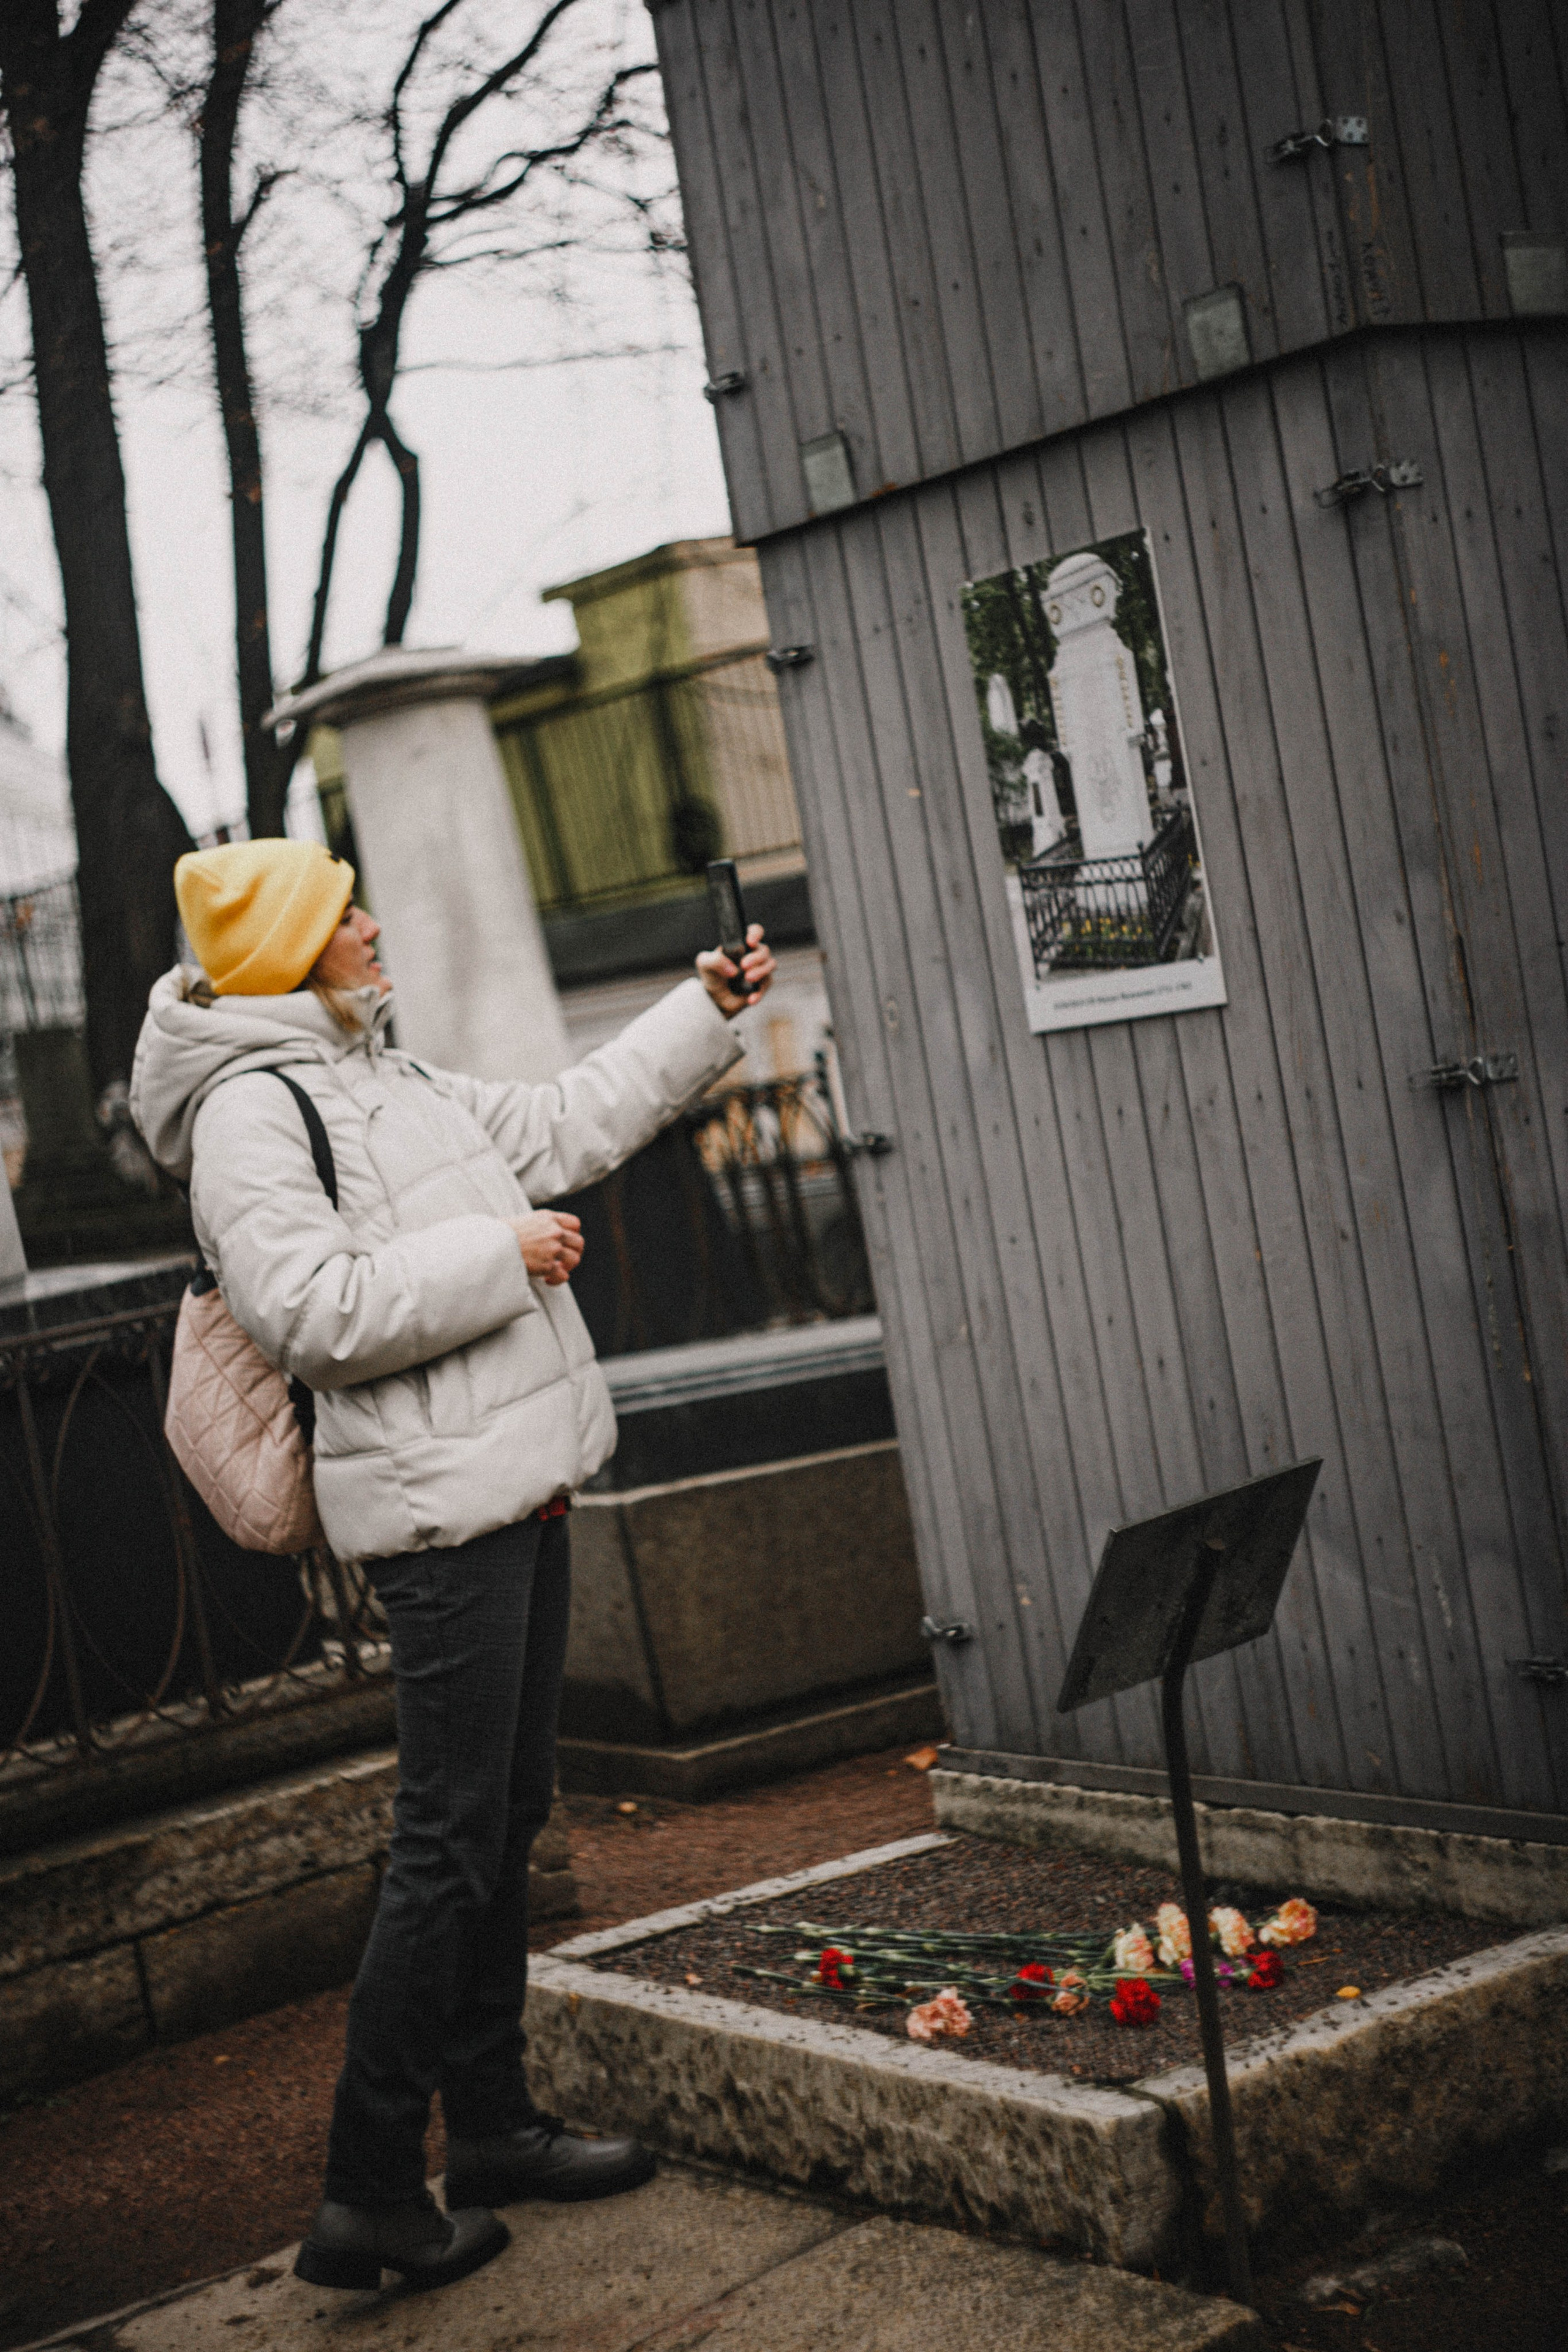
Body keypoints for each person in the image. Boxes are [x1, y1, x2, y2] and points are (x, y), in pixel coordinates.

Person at [130, 837, 775, 2293]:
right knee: (446, 1838)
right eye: (342, 910)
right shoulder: (253, 1108)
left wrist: (703, 1012)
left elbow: (562, 1119)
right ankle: (366, 2190)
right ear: (294, 950)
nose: (370, 922)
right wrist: (505, 1255)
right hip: (433, 1513)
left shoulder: (387, 1076)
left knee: (502, 1818)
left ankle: (490, 2129)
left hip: (512, 1486)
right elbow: (306, 1312)